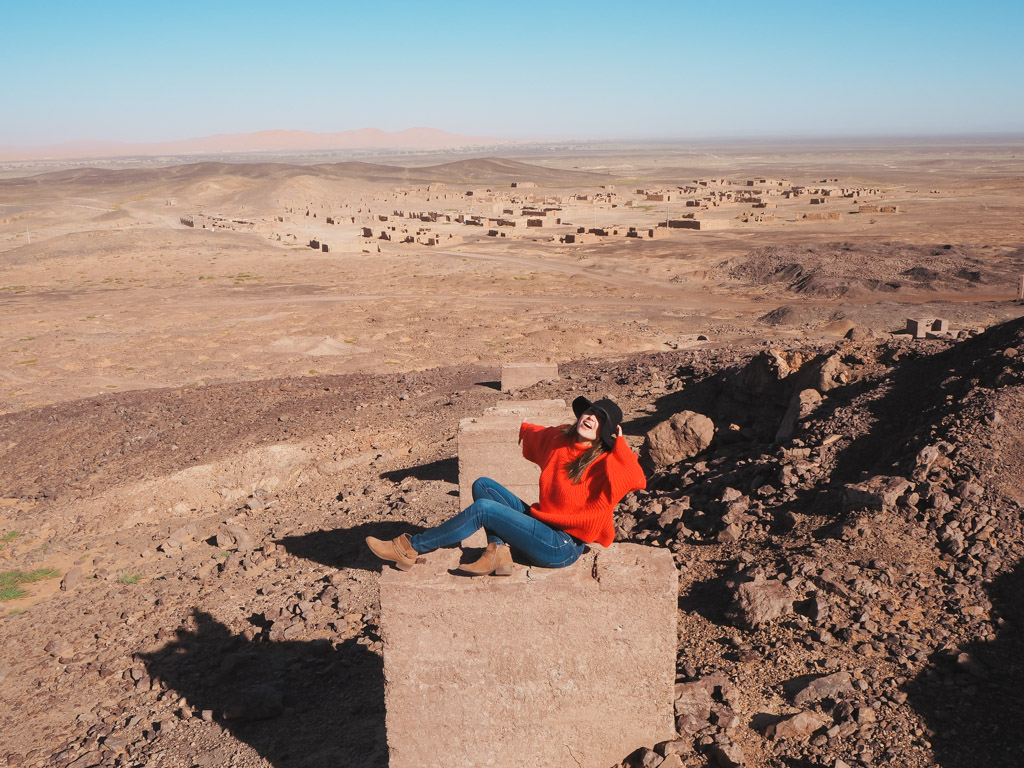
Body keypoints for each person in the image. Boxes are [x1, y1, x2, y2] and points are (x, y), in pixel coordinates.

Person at [365, 395, 646, 575]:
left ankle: (411, 547)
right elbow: (535, 432)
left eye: (600, 420)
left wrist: (619, 444)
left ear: (605, 432)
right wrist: (519, 424)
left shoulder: (604, 463)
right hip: (544, 526)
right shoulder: (561, 440)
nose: (590, 418)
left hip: (562, 545)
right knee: (483, 486)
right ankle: (498, 552)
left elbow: (636, 478)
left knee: (485, 509)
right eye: (591, 411)